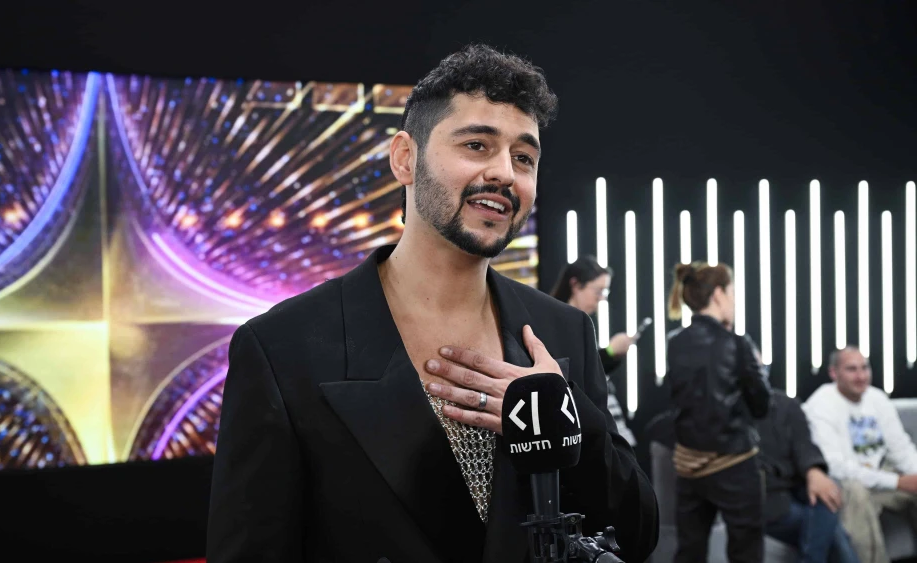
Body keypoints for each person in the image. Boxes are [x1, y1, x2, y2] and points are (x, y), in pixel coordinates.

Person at [206, 44, 659, 563]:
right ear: (405, 157)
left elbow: (638, 532)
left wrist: (570, 418)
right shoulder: (283, 349)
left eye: (524, 158)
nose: (505, 174)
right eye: (476, 145)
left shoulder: (563, 331)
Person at [664, 260, 771, 563]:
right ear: (719, 294)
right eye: (733, 292)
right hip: (735, 464)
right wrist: (759, 370)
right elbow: (762, 406)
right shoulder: (737, 344)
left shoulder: (676, 343)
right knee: (746, 551)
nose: (734, 301)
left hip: (688, 465)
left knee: (690, 550)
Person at [803, 346, 917, 563]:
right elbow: (837, 466)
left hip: (879, 478)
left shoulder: (877, 399)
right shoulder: (820, 405)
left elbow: (901, 448)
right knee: (856, 492)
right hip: (846, 484)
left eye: (865, 368)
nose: (861, 376)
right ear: (834, 373)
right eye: (852, 369)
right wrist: (898, 482)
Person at [756, 389, 860, 562]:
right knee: (835, 536)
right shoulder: (723, 408)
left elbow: (804, 445)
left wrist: (814, 471)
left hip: (797, 488)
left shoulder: (786, 404)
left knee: (827, 495)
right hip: (762, 496)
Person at [550, 256, 637, 445]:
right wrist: (610, 353)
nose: (602, 297)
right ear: (575, 285)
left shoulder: (577, 322)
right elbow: (572, 374)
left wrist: (613, 356)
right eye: (598, 291)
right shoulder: (559, 322)